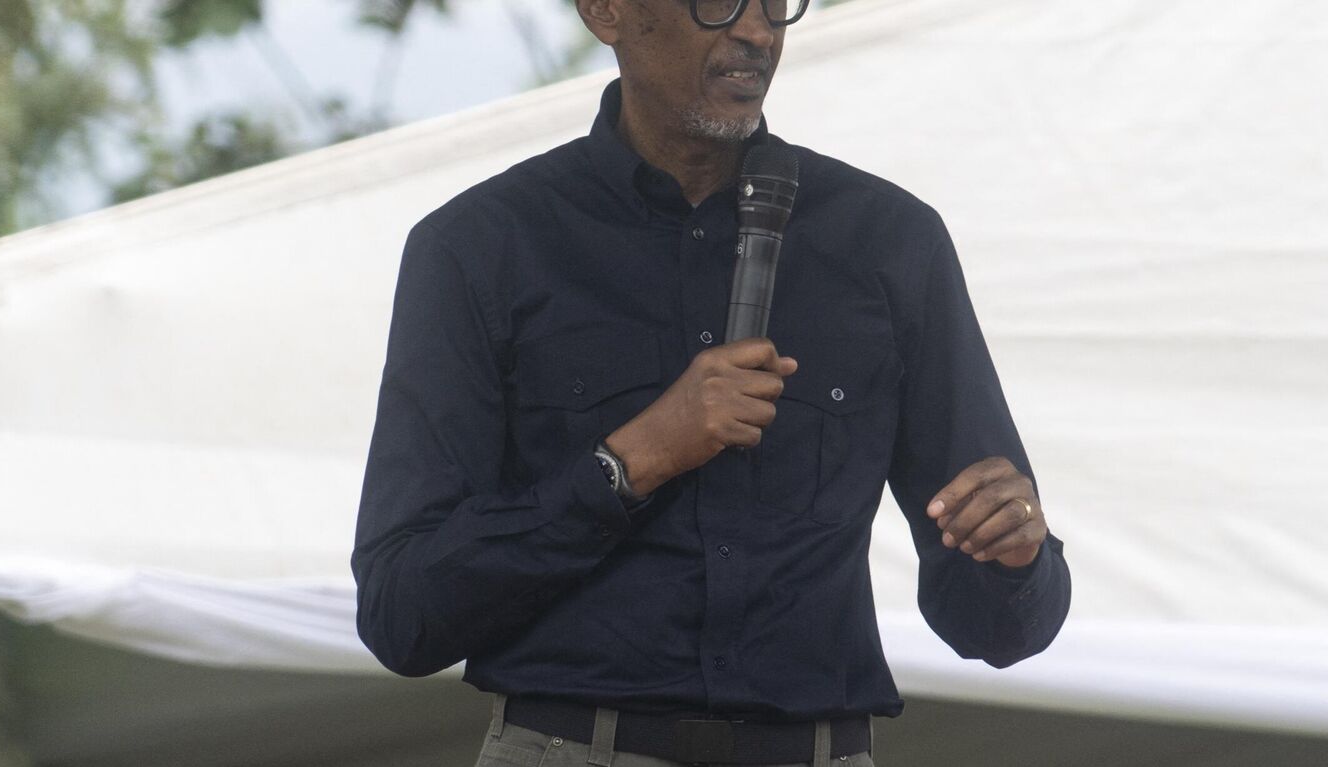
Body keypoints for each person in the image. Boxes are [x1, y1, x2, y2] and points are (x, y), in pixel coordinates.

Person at [351, 0, 1071, 764]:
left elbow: (993, 627)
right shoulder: (480, 248)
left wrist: (1017, 555)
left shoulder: (888, 243)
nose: (758, 31)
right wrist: (628, 464)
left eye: (776, 4)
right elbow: (404, 615)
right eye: (719, 0)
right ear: (605, 11)